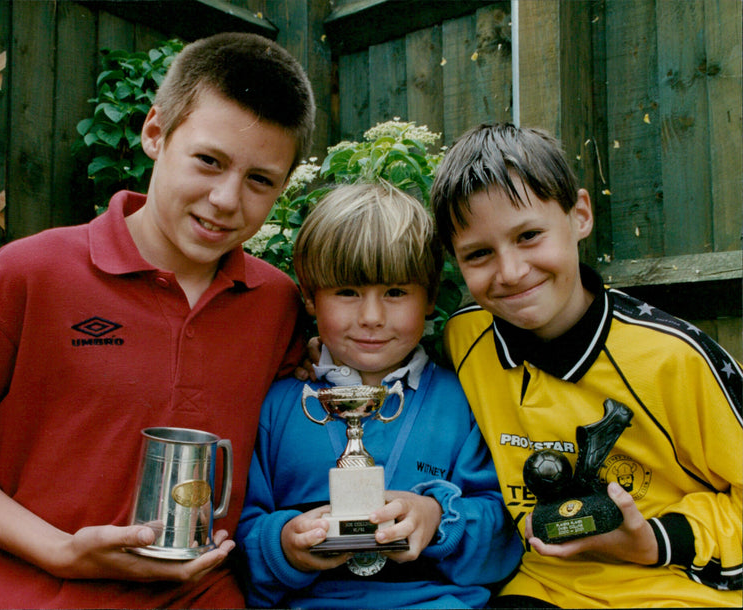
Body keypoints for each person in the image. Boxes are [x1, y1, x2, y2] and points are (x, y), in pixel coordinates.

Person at [0, 32, 315, 609]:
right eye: (208, 161)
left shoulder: (279, 306)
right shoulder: (30, 275)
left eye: (259, 180)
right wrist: (60, 550)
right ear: (154, 133)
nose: (224, 198)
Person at [430, 122, 742, 607]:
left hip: (675, 587)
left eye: (529, 235)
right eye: (479, 254)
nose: (510, 272)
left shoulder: (673, 358)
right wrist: (320, 356)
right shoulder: (464, 338)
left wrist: (653, 540)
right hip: (544, 585)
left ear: (579, 215)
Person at [235, 181, 523, 609]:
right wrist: (282, 545)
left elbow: (504, 533)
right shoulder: (275, 406)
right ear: (311, 297)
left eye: (395, 292)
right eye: (347, 292)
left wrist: (439, 518)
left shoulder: (462, 401)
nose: (371, 317)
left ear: (429, 299)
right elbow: (239, 534)